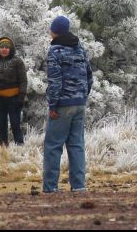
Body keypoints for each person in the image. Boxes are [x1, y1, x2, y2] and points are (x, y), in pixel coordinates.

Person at [43, 16, 93, 194]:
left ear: (55, 31)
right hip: (79, 103)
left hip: (63, 103)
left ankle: (50, 187)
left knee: (53, 146)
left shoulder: (55, 51)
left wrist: (53, 105)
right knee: (76, 145)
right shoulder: (79, 49)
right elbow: (89, 76)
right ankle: (79, 186)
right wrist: (82, 96)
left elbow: (55, 80)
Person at [0, 37, 28, 146]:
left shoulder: (17, 61)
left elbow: (23, 80)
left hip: (14, 98)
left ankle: (20, 147)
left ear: (11, 49)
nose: (4, 49)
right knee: (1, 124)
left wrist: (21, 97)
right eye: (2, 47)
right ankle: (3, 149)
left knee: (15, 124)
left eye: (7, 47)